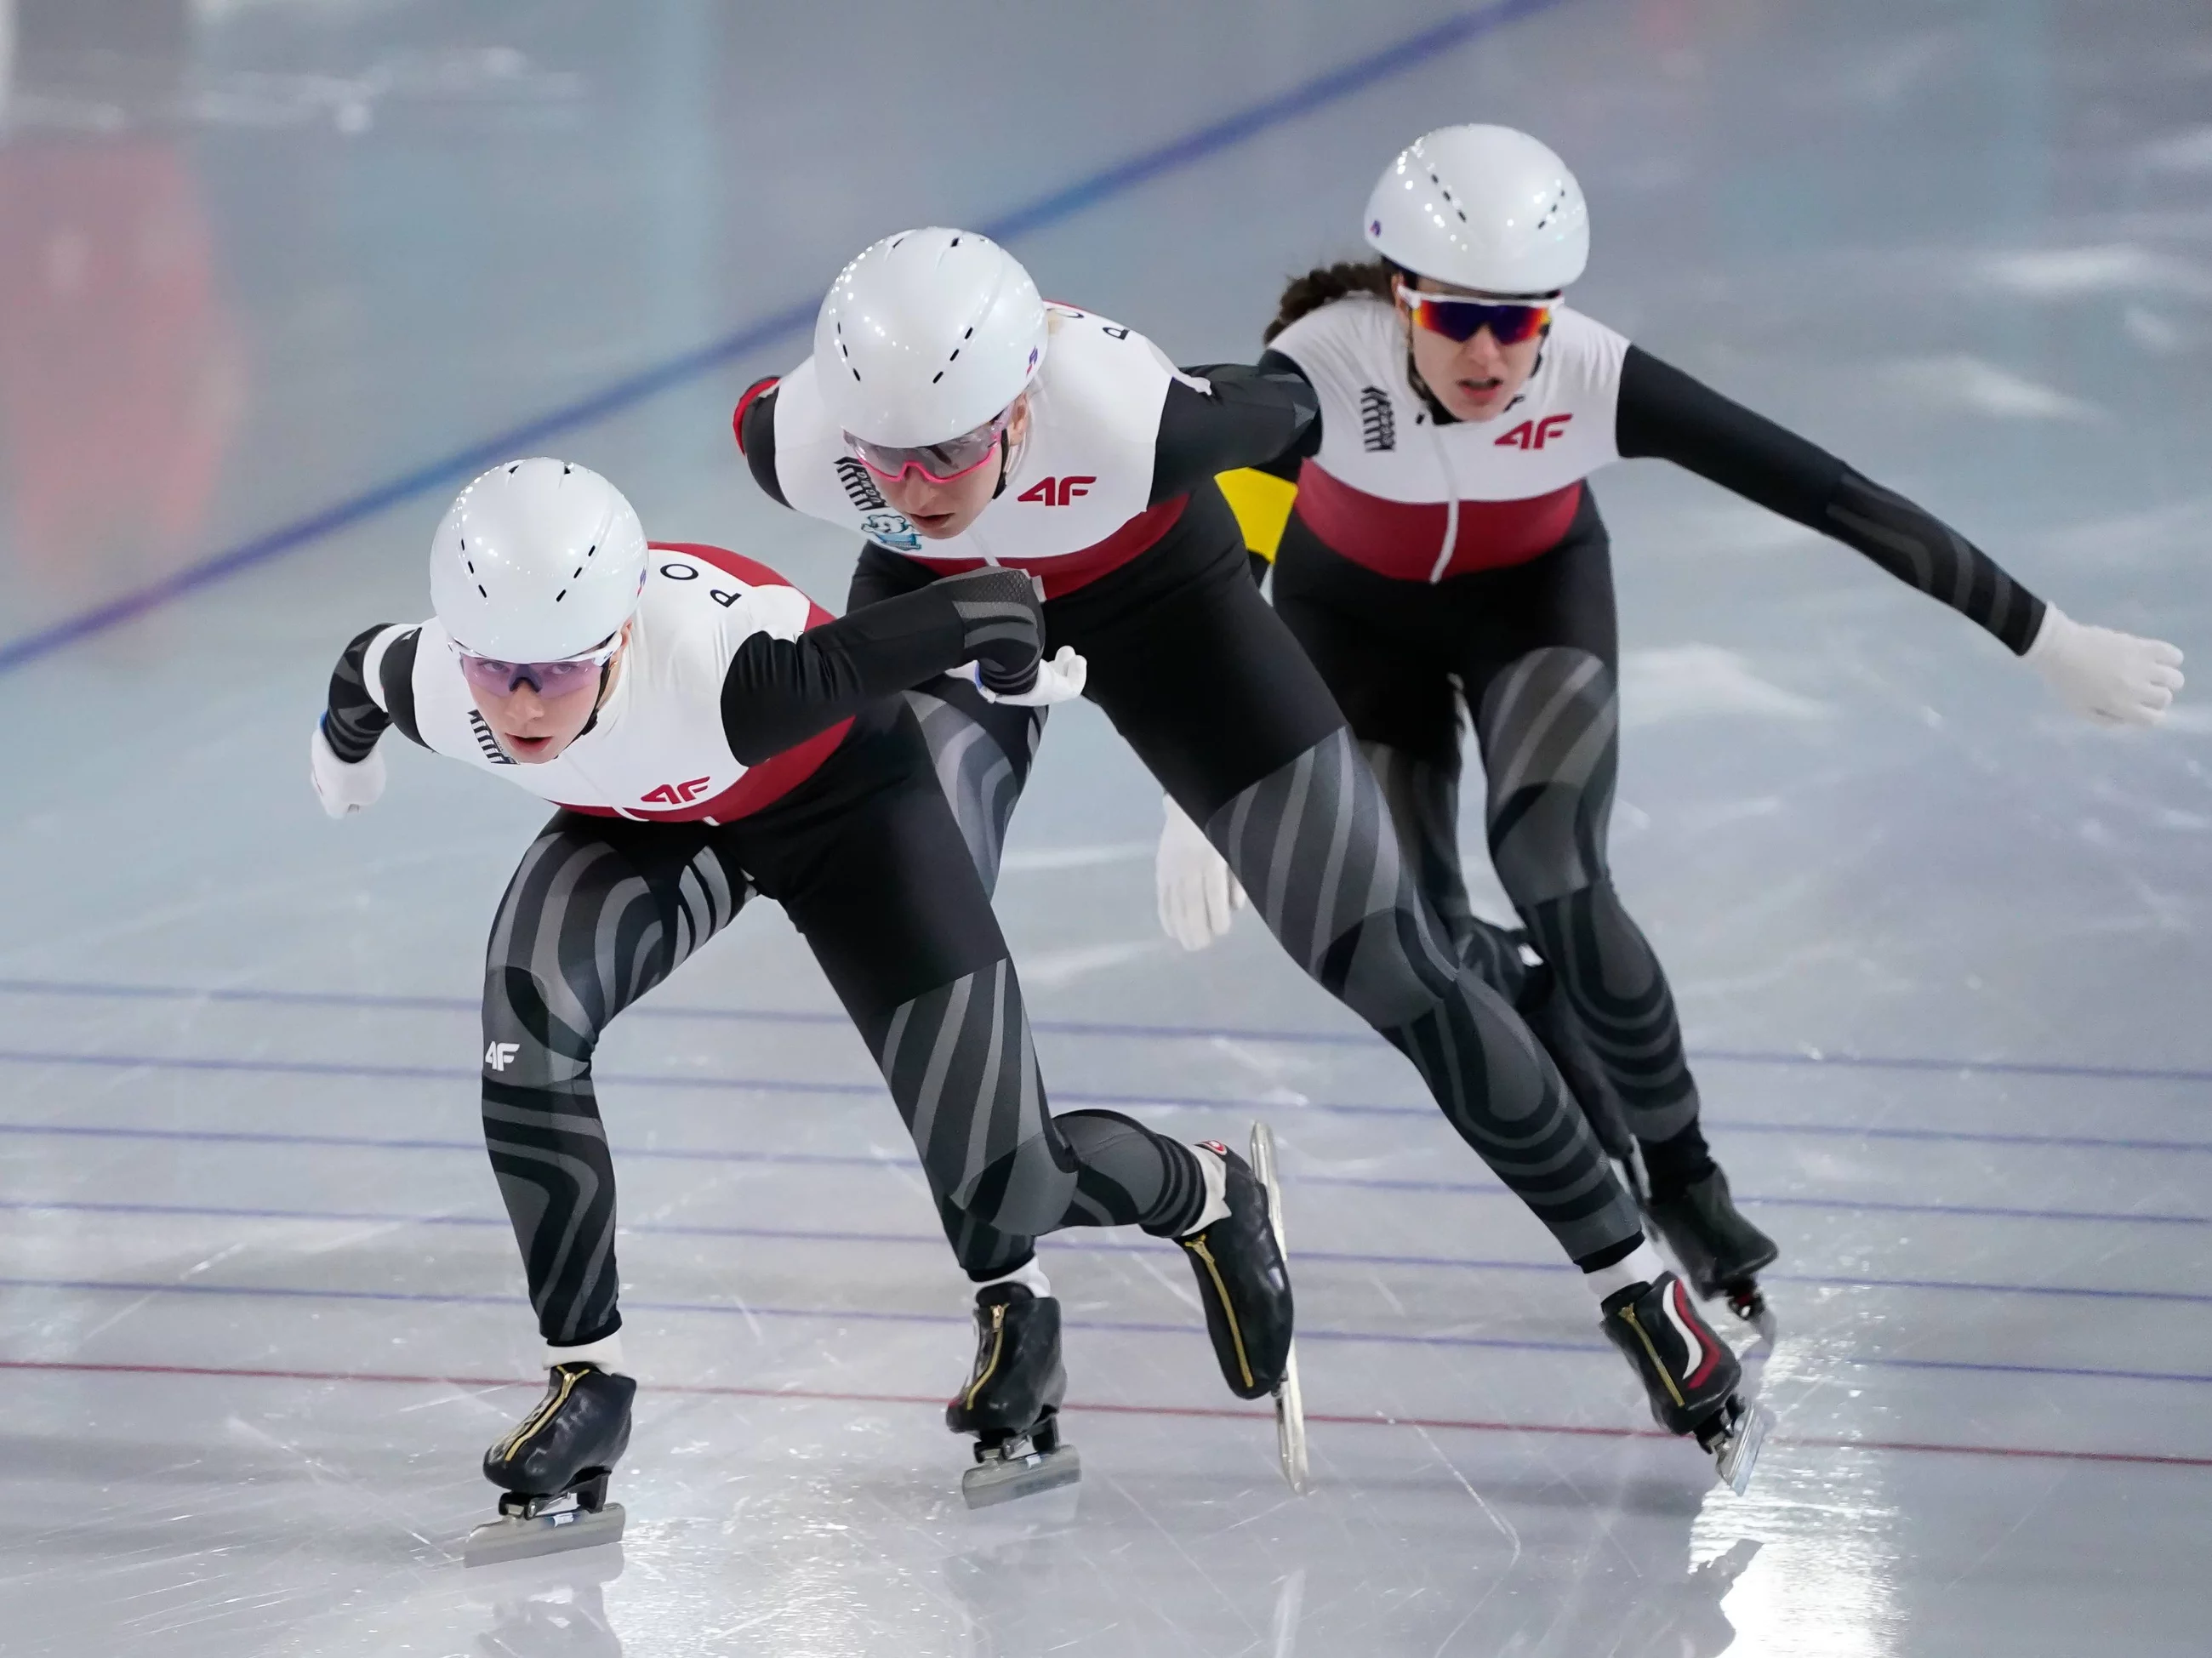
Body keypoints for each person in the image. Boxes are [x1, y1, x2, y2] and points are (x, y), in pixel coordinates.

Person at [734, 229, 1766, 1485]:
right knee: (919, 957)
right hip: (947, 612)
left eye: (948, 448)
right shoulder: (795, 441)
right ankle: (1015, 1298)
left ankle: (1637, 1283)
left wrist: (1202, 791)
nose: (911, 480)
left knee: (1396, 963)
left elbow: (1298, 419)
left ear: (1019, 403)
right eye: (883, 455)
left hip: (1171, 612)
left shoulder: (1127, 411)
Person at [1180, 122, 2186, 1324]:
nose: (1493, 354)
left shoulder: (1594, 375)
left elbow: (1834, 495)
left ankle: (1688, 1176)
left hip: (1529, 609)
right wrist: (1214, 779)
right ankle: (1542, 1001)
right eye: (1458, 319)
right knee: (1432, 943)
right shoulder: (1326, 365)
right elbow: (1197, 495)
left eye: (1524, 318)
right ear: (1403, 297)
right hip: (1354, 631)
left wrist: (2047, 635)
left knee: (1553, 862)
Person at [306, 457, 1294, 1549]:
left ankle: (1201, 1193)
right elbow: (360, 674)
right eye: (497, 672)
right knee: (525, 1028)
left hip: (845, 810)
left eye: (560, 670)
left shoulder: (750, 678)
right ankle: (590, 1380)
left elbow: (992, 601)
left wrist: (1020, 672)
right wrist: (340, 755)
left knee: (1009, 1176)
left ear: (620, 638)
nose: (525, 704)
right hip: (648, 818)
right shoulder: (437, 678)